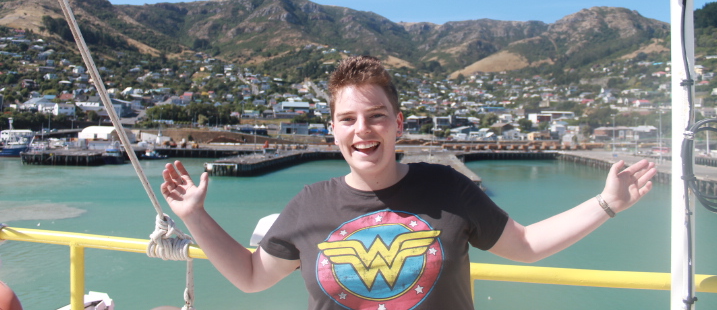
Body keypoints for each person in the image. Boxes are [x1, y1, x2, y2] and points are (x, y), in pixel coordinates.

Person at [161, 55, 656, 309]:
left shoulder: (448, 189)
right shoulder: (308, 205)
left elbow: (526, 245)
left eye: (376, 116)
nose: (363, 131)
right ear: (331, 129)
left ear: (399, 124)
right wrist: (195, 217)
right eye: (348, 119)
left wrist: (607, 204)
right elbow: (250, 277)